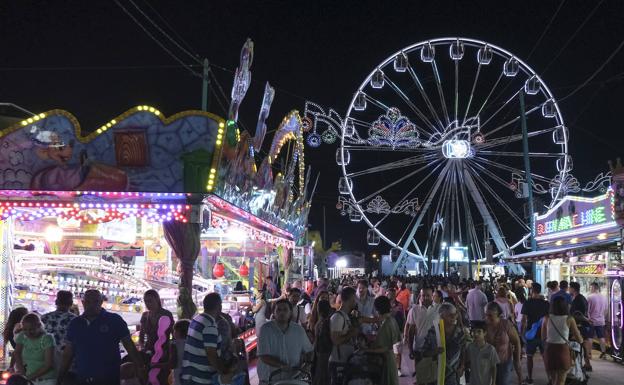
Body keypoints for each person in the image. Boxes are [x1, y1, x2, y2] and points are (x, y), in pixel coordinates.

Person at [58, 289, 145, 385]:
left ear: (101, 302)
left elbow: (130, 346)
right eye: (88, 302)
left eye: (95, 301)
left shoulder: (115, 320)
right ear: (83, 302)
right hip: (82, 378)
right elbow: (68, 353)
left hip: (109, 378)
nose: (91, 305)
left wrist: (140, 368)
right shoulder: (75, 324)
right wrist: (60, 377)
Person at [257, 299, 313, 385]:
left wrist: (307, 366)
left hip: (293, 379)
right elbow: (263, 355)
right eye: (279, 310)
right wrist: (281, 365)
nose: (282, 313)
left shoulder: (298, 330)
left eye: (285, 310)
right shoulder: (266, 330)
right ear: (274, 312)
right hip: (269, 379)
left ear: (290, 312)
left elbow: (309, 351)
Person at [181, 293, 233, 385]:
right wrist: (222, 371)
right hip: (201, 378)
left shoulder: (196, 319)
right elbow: (211, 354)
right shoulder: (210, 325)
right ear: (219, 307)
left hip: (189, 374)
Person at [541, 296, 583, 385]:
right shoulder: (569, 319)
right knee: (561, 380)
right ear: (565, 306)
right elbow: (579, 339)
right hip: (562, 350)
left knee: (553, 380)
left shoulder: (546, 318)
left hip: (549, 350)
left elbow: (543, 337)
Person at [421, 303, 466, 385]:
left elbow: (463, 351)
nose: (453, 317)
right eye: (450, 315)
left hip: (453, 375)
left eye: (455, 314)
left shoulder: (459, 333)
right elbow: (424, 352)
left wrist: (462, 366)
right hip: (435, 375)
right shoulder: (433, 332)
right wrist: (434, 351)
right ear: (441, 316)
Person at [139, 289, 174, 385]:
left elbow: (173, 334)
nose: (147, 304)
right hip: (148, 350)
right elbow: (141, 335)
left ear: (157, 300)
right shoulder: (145, 315)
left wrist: (172, 351)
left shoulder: (166, 314)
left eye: (150, 301)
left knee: (162, 377)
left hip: (163, 351)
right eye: (145, 301)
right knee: (149, 377)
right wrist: (142, 348)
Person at [484, 302, 522, 385]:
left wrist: (517, 360)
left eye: (490, 315)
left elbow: (516, 342)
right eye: (486, 315)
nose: (487, 318)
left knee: (503, 382)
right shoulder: (484, 326)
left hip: (504, 362)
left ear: (497, 315)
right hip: (488, 363)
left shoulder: (506, 325)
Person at [365, 296, 401, 385]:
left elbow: (385, 348)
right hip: (390, 359)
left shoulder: (386, 323)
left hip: (386, 360)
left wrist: (367, 350)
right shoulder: (392, 320)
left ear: (378, 309)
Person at [13, 313, 56, 384]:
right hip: (30, 378)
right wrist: (22, 373)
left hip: (47, 380)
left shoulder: (47, 338)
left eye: (31, 329)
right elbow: (17, 353)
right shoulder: (22, 336)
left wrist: (28, 378)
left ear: (39, 326)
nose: (28, 332)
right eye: (25, 329)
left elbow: (48, 364)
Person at [329, 286, 360, 384]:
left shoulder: (346, 316)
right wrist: (351, 333)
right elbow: (335, 340)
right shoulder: (337, 317)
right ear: (351, 299)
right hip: (338, 362)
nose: (356, 301)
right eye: (355, 298)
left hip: (345, 360)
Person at [521, 282, 549, 385]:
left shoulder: (527, 303)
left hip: (530, 334)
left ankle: (530, 378)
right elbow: (549, 319)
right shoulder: (546, 303)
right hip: (544, 334)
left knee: (529, 356)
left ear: (532, 290)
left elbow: (524, 320)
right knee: (545, 356)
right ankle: (550, 378)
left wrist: (522, 332)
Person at [568, 281, 592, 370]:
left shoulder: (579, 299)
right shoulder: (579, 298)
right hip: (580, 325)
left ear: (573, 289)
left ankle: (585, 364)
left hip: (580, 326)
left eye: (570, 288)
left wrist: (586, 319)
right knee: (582, 345)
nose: (569, 289)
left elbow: (579, 314)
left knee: (580, 345)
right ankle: (586, 364)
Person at [466, 321, 499, 385]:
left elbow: (493, 367)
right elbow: (467, 362)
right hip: (473, 382)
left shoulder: (490, 349)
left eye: (479, 331)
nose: (476, 334)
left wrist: (494, 382)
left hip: (486, 382)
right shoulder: (470, 347)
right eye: (474, 331)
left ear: (485, 333)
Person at [312, 300, 333, 385]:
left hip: (320, 351)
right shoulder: (327, 321)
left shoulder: (320, 322)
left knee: (320, 375)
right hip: (326, 351)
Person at [387, 287, 405, 377]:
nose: (390, 295)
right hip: (387, 331)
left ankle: (398, 369)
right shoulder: (385, 306)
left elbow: (403, 317)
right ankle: (390, 368)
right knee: (389, 351)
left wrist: (404, 330)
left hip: (398, 330)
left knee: (398, 351)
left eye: (392, 293)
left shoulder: (400, 305)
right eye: (389, 293)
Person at [587, 282, 608, 358]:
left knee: (590, 337)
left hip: (591, 321)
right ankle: (604, 353)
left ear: (593, 287)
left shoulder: (590, 297)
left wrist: (588, 319)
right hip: (601, 321)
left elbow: (587, 310)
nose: (590, 289)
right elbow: (606, 310)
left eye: (590, 287)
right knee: (601, 337)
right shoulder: (604, 297)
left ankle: (589, 354)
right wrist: (602, 317)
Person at [168, 319, 190, 385]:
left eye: (175, 330)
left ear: (178, 332)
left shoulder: (175, 344)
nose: (173, 332)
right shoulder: (192, 344)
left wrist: (157, 365)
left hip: (179, 376)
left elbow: (172, 364)